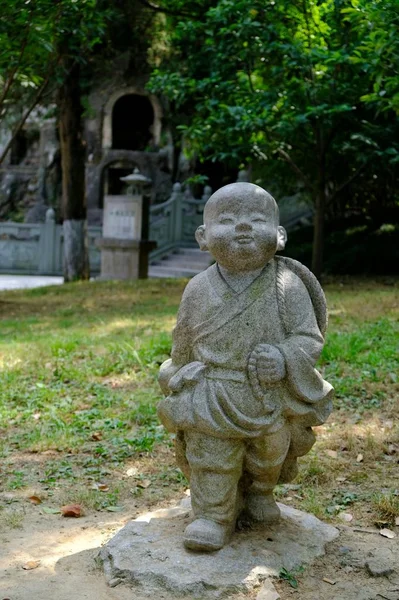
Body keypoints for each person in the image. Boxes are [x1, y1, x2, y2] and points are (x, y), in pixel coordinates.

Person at [158, 182, 333, 552]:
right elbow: (183, 346)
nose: (242, 227)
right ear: (203, 237)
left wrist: (284, 357)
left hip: (265, 394)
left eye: (256, 219)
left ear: (280, 236)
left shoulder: (287, 285)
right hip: (212, 392)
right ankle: (213, 515)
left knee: (268, 454)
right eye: (227, 220)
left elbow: (309, 337)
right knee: (212, 458)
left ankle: (260, 493)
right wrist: (174, 373)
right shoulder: (198, 289)